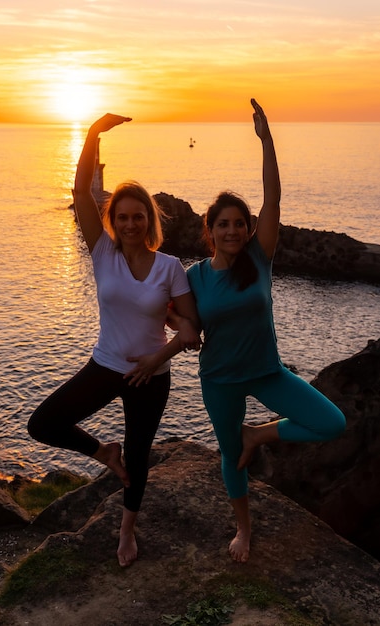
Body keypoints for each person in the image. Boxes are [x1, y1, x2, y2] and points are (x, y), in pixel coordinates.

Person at [174, 99, 346, 563]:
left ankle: (259, 435)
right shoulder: (193, 277)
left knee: (331, 422)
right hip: (221, 378)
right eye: (222, 225)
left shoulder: (259, 257)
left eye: (239, 224)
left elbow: (274, 196)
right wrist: (185, 328)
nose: (232, 230)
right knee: (232, 457)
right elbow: (168, 312)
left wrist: (266, 139)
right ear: (210, 230)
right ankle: (243, 530)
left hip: (266, 370)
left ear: (248, 229)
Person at [28, 113, 200, 568]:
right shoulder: (102, 251)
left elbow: (190, 331)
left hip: (151, 376)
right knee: (43, 424)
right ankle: (103, 451)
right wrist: (90, 134)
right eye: (121, 217)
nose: (129, 224)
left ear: (149, 220)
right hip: (105, 365)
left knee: (139, 455)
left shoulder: (170, 267)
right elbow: (82, 189)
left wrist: (155, 359)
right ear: (113, 220)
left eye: (137, 216)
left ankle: (127, 531)